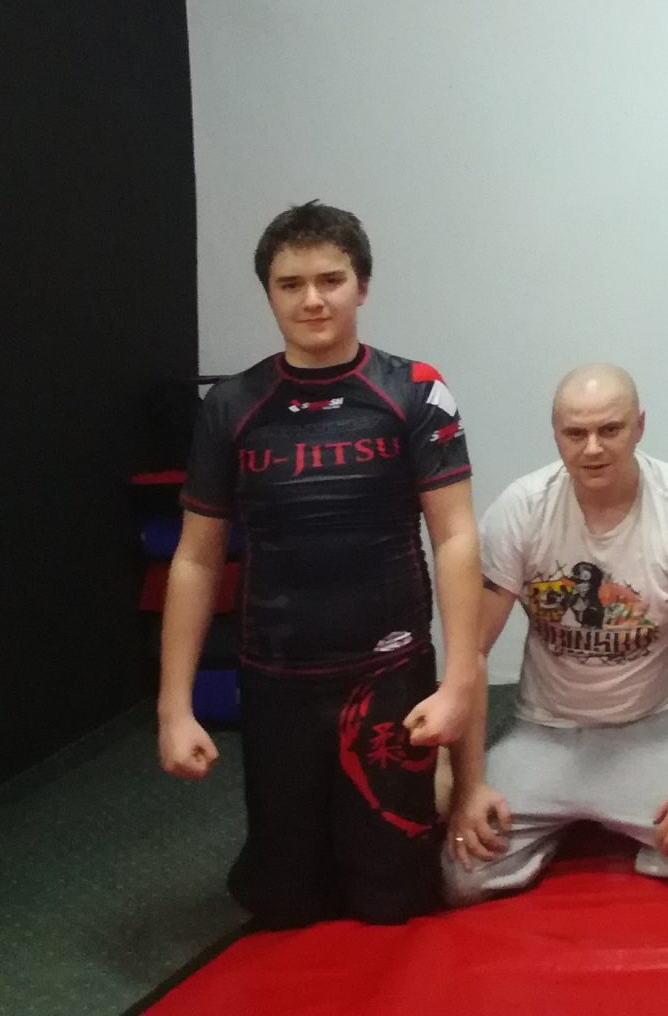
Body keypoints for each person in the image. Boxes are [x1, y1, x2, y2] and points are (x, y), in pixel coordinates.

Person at [157, 201, 483, 926]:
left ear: (361, 286)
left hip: (390, 676)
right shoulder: (232, 406)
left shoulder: (415, 390)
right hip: (277, 680)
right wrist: (174, 708)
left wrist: (460, 681)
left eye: (330, 280)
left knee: (392, 905)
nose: (312, 299)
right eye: (290, 284)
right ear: (269, 294)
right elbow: (196, 560)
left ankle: (432, 797)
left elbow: (456, 537)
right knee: (285, 907)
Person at [442, 366, 668, 901]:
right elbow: (469, 648)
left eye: (610, 430)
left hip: (660, 721)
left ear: (639, 426)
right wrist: (468, 787)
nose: (592, 448)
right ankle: (584, 822)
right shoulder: (522, 508)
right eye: (575, 433)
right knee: (464, 876)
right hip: (548, 728)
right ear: (555, 433)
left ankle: (599, 820)